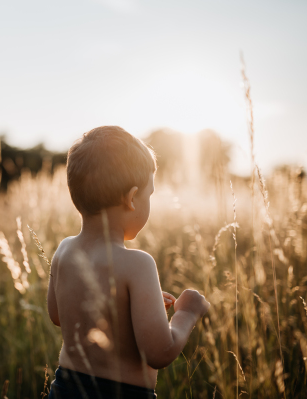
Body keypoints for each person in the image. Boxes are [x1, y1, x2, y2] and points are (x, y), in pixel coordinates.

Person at [47, 126, 210, 398]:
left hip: (65, 390)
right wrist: (186, 314)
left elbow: (58, 315)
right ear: (132, 198)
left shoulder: (64, 251)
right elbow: (159, 353)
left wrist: (131, 305)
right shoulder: (138, 264)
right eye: (149, 195)